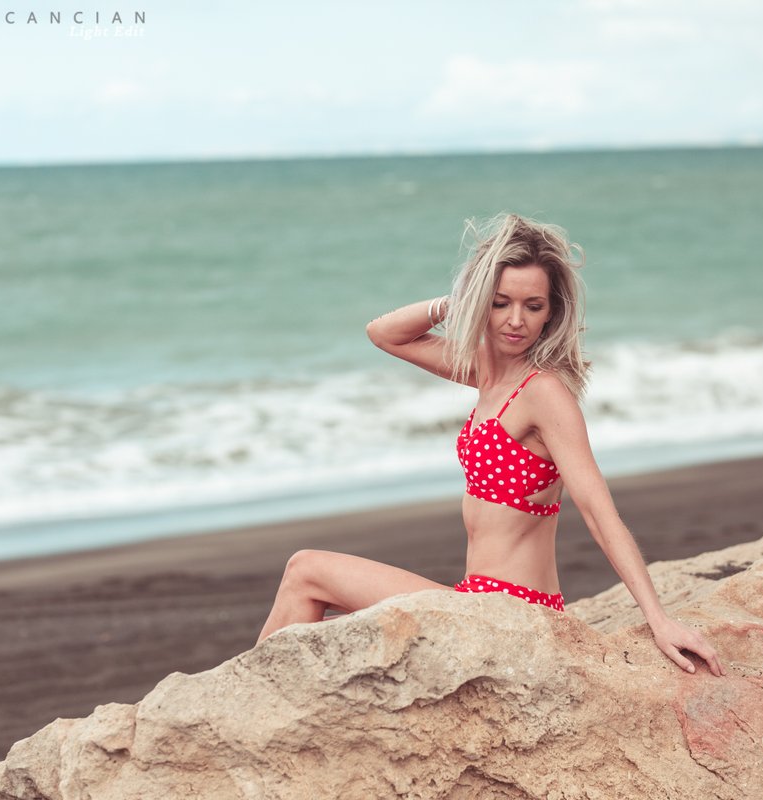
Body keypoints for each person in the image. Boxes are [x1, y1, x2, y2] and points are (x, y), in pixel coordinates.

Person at [256, 213, 725, 677]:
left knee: (306, 570)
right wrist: (460, 299)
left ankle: (239, 707)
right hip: (478, 602)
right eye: (500, 302)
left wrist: (658, 620)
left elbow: (600, 512)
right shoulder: (486, 372)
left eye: (533, 306)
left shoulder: (544, 393)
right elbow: (384, 334)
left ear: (552, 312)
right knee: (330, 632)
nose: (516, 321)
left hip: (511, 614)